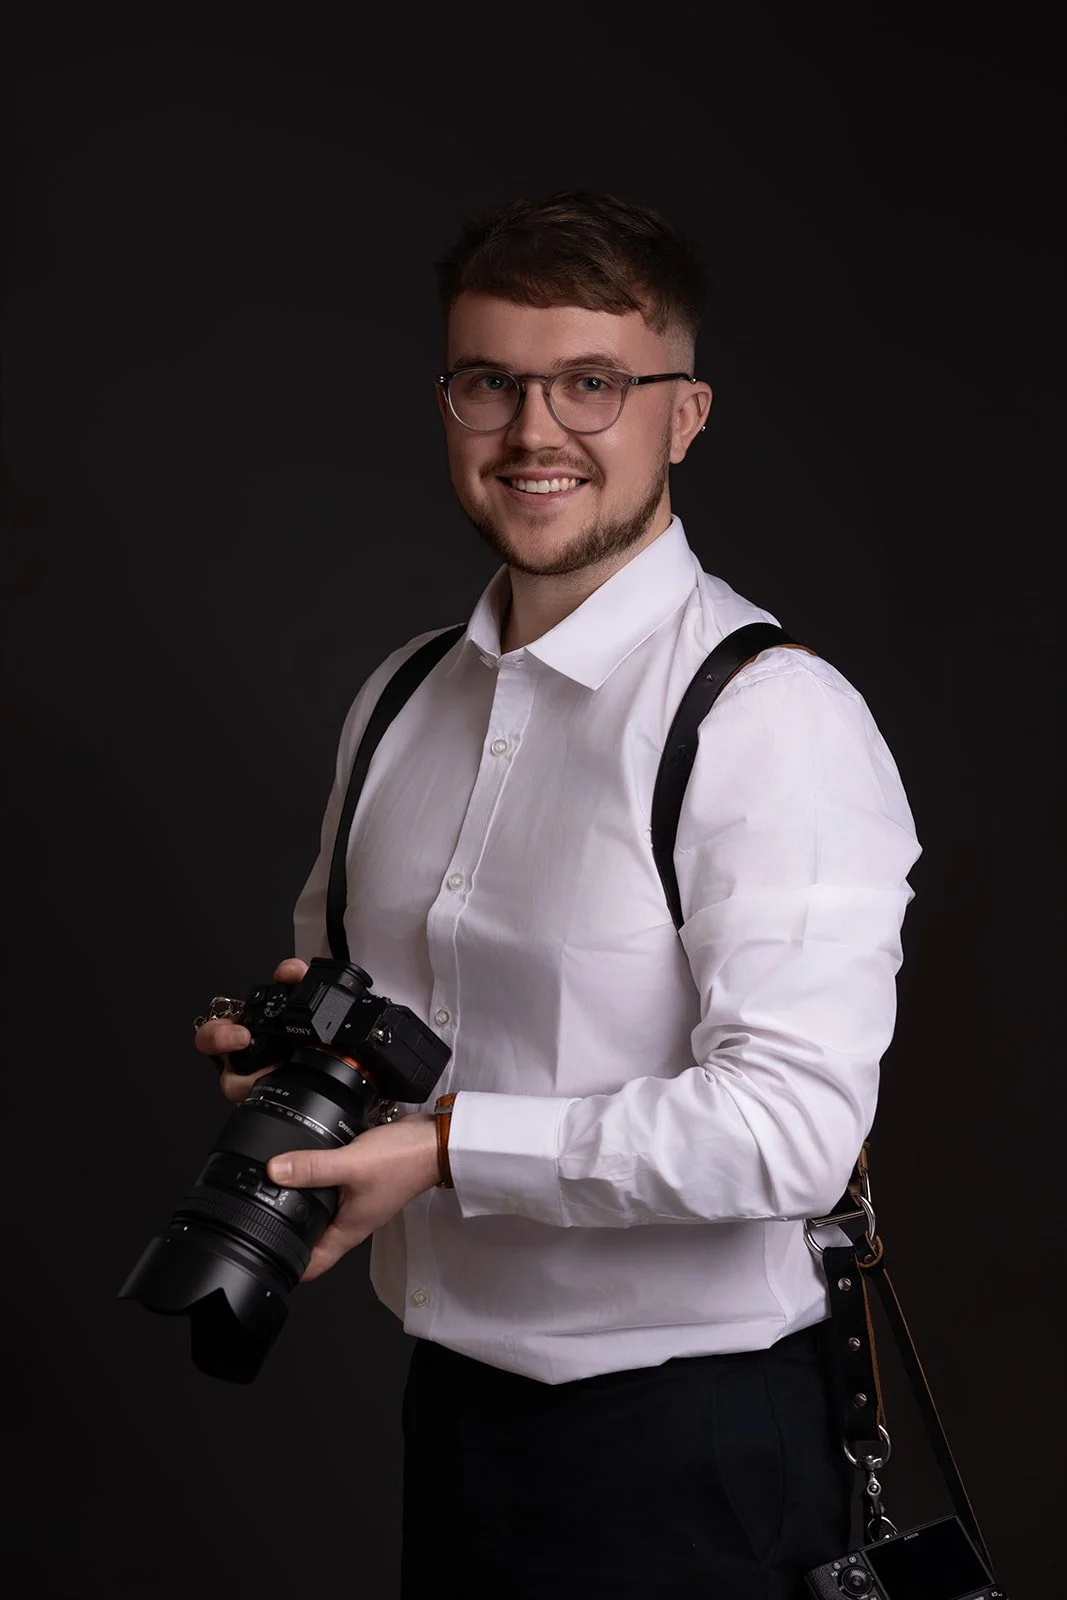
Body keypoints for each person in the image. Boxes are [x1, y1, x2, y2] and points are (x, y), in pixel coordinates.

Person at [195, 190, 920, 1598]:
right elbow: (369, 1005)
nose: (535, 432)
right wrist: (297, 1067)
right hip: (455, 1416)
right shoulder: (402, 695)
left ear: (683, 415)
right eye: (491, 382)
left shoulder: (770, 718)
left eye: (593, 383)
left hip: (692, 1453)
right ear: (449, 403)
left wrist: (445, 1151)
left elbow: (790, 1133)